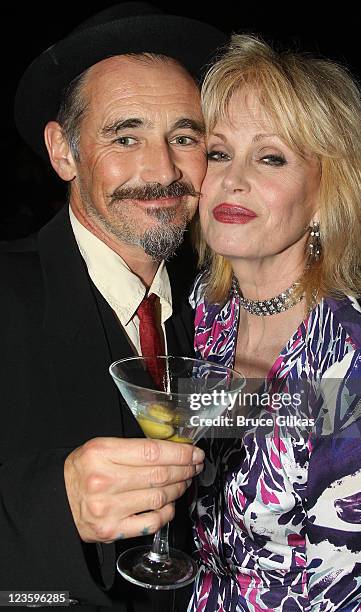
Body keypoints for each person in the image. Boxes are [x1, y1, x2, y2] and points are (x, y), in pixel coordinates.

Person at [0, 3, 226, 610]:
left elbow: (360, 415)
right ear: (64, 152)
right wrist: (52, 504)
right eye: (125, 137)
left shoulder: (221, 311)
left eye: (185, 137)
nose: (163, 170)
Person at [189, 35, 361, 610]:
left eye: (270, 157)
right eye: (217, 152)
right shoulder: (201, 309)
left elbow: (349, 595)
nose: (233, 179)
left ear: (324, 196)